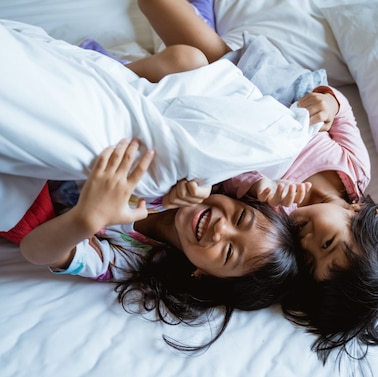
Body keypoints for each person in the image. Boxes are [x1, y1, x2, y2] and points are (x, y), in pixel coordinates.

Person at [136, 0, 378, 362]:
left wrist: (258, 186)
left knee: (186, 62)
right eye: (327, 241)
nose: (306, 240)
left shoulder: (279, 217)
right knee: (196, 45)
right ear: (360, 214)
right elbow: (341, 112)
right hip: (263, 86)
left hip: (232, 118)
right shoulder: (353, 169)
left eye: (308, 260)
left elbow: (227, 174)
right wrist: (331, 104)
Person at [20, 139, 303, 351]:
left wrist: (88, 219)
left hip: (41, 166)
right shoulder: (203, 175)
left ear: (204, 275)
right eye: (240, 217)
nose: (222, 228)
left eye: (229, 251)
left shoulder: (137, 258)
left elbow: (35, 252)